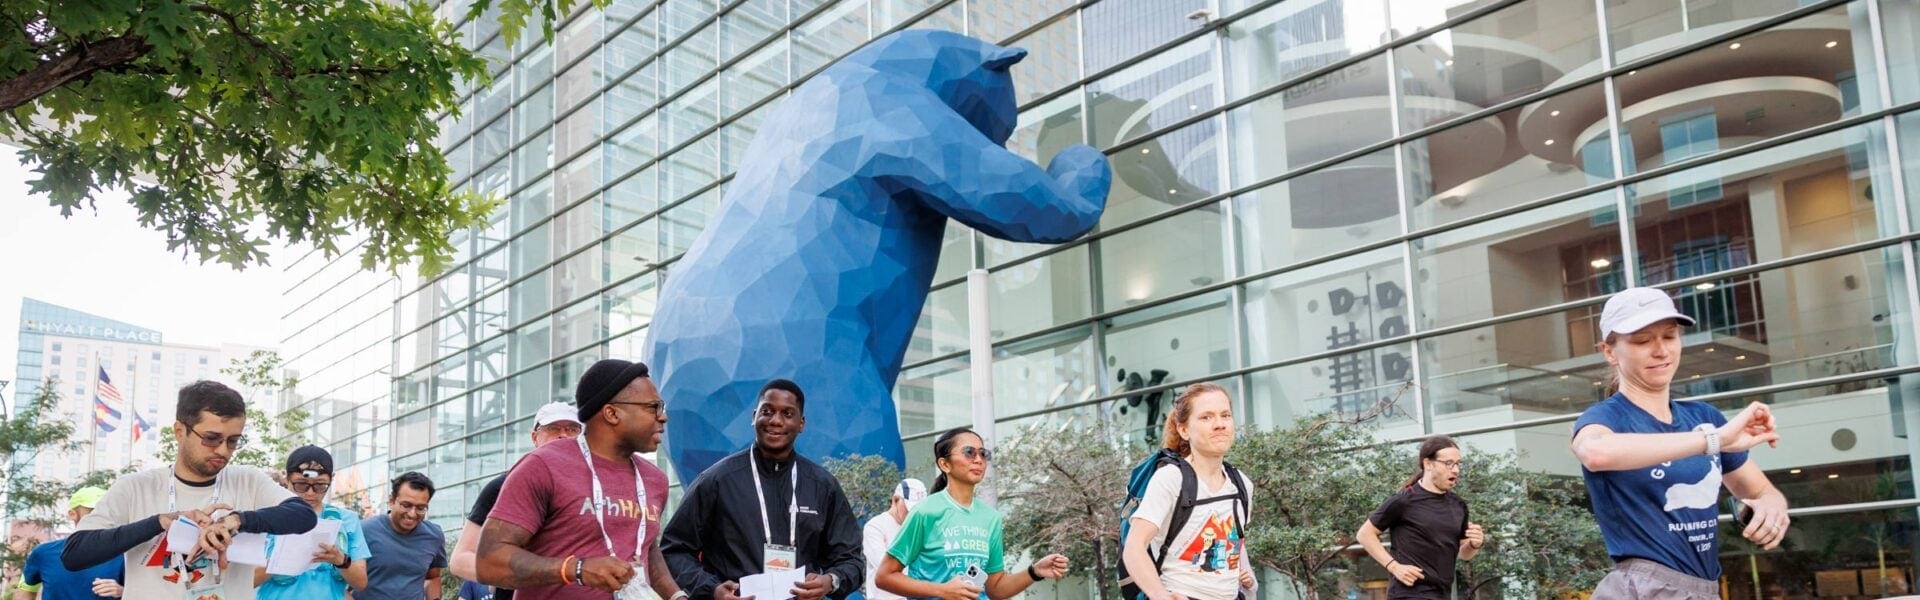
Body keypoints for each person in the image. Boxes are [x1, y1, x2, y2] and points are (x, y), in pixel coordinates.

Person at [1570, 287, 1789, 598]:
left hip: (1703, 588)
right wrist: (1713, 440)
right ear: (1609, 351)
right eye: (1642, 340)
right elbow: (1595, 452)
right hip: (1643, 587)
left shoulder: (1702, 416)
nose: (1661, 351)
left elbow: (1762, 491)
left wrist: (1771, 507)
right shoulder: (1606, 418)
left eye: (1670, 336)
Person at [62, 380, 319, 599]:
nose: (222, 450)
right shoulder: (135, 488)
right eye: (211, 438)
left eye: (232, 441)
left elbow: (303, 515)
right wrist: (161, 522)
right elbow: (74, 554)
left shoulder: (248, 481)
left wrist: (237, 520)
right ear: (180, 431)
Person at [474, 358, 681, 600]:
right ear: (612, 413)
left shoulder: (655, 479)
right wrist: (576, 569)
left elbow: (647, 547)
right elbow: (489, 561)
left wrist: (677, 596)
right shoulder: (544, 466)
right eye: (653, 407)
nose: (663, 417)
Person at [662, 379, 865, 600]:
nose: (776, 421)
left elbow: (851, 560)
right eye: (767, 411)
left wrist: (831, 581)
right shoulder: (717, 480)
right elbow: (674, 550)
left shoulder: (822, 485)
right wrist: (712, 589)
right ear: (754, 417)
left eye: (788, 414)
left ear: (801, 423)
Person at [876, 427, 1069, 600]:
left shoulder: (990, 518)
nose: (978, 459)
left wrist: (1035, 571)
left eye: (983, 453)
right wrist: (942, 590)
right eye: (969, 452)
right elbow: (885, 576)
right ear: (944, 464)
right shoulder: (925, 512)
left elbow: (995, 589)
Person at [1119, 383, 1255, 600]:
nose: (1220, 424)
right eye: (1206, 417)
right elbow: (1134, 547)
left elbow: (1232, 546)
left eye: (1225, 415)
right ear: (1183, 430)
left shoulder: (1242, 484)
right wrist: (1159, 595)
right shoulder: (1171, 479)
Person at [451, 402, 584, 600]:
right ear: (534, 437)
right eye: (553, 428)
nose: (563, 435)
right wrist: (526, 575)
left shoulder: (595, 489)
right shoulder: (504, 486)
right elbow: (460, 560)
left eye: (572, 429)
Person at [1355, 436, 1485, 599]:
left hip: (1442, 594)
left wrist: (1474, 544)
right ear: (1428, 464)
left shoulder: (1458, 505)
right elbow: (1364, 534)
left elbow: (1463, 554)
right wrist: (1394, 567)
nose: (1455, 470)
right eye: (1448, 463)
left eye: (1458, 463)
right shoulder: (1404, 500)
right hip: (1409, 593)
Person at [254, 445, 371, 599]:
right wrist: (280, 559)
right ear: (287, 479)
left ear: (331, 479)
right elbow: (245, 580)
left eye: (320, 486)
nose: (310, 493)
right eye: (301, 485)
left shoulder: (346, 519)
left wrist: (340, 560)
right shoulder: (265, 518)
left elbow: (361, 582)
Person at [16, 487, 122, 600]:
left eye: (106, 511)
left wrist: (122, 591)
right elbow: (26, 590)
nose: (101, 517)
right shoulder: (43, 553)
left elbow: (141, 591)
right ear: (72, 514)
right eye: (93, 512)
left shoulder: (126, 555)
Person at [360, 472, 447, 600]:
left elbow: (432, 577)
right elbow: (336, 578)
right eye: (406, 505)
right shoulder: (364, 530)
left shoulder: (434, 536)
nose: (412, 514)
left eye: (420, 508)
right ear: (391, 500)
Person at [862, 479, 926, 600]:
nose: (912, 514)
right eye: (909, 509)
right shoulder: (875, 526)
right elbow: (884, 567)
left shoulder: (920, 527)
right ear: (895, 500)